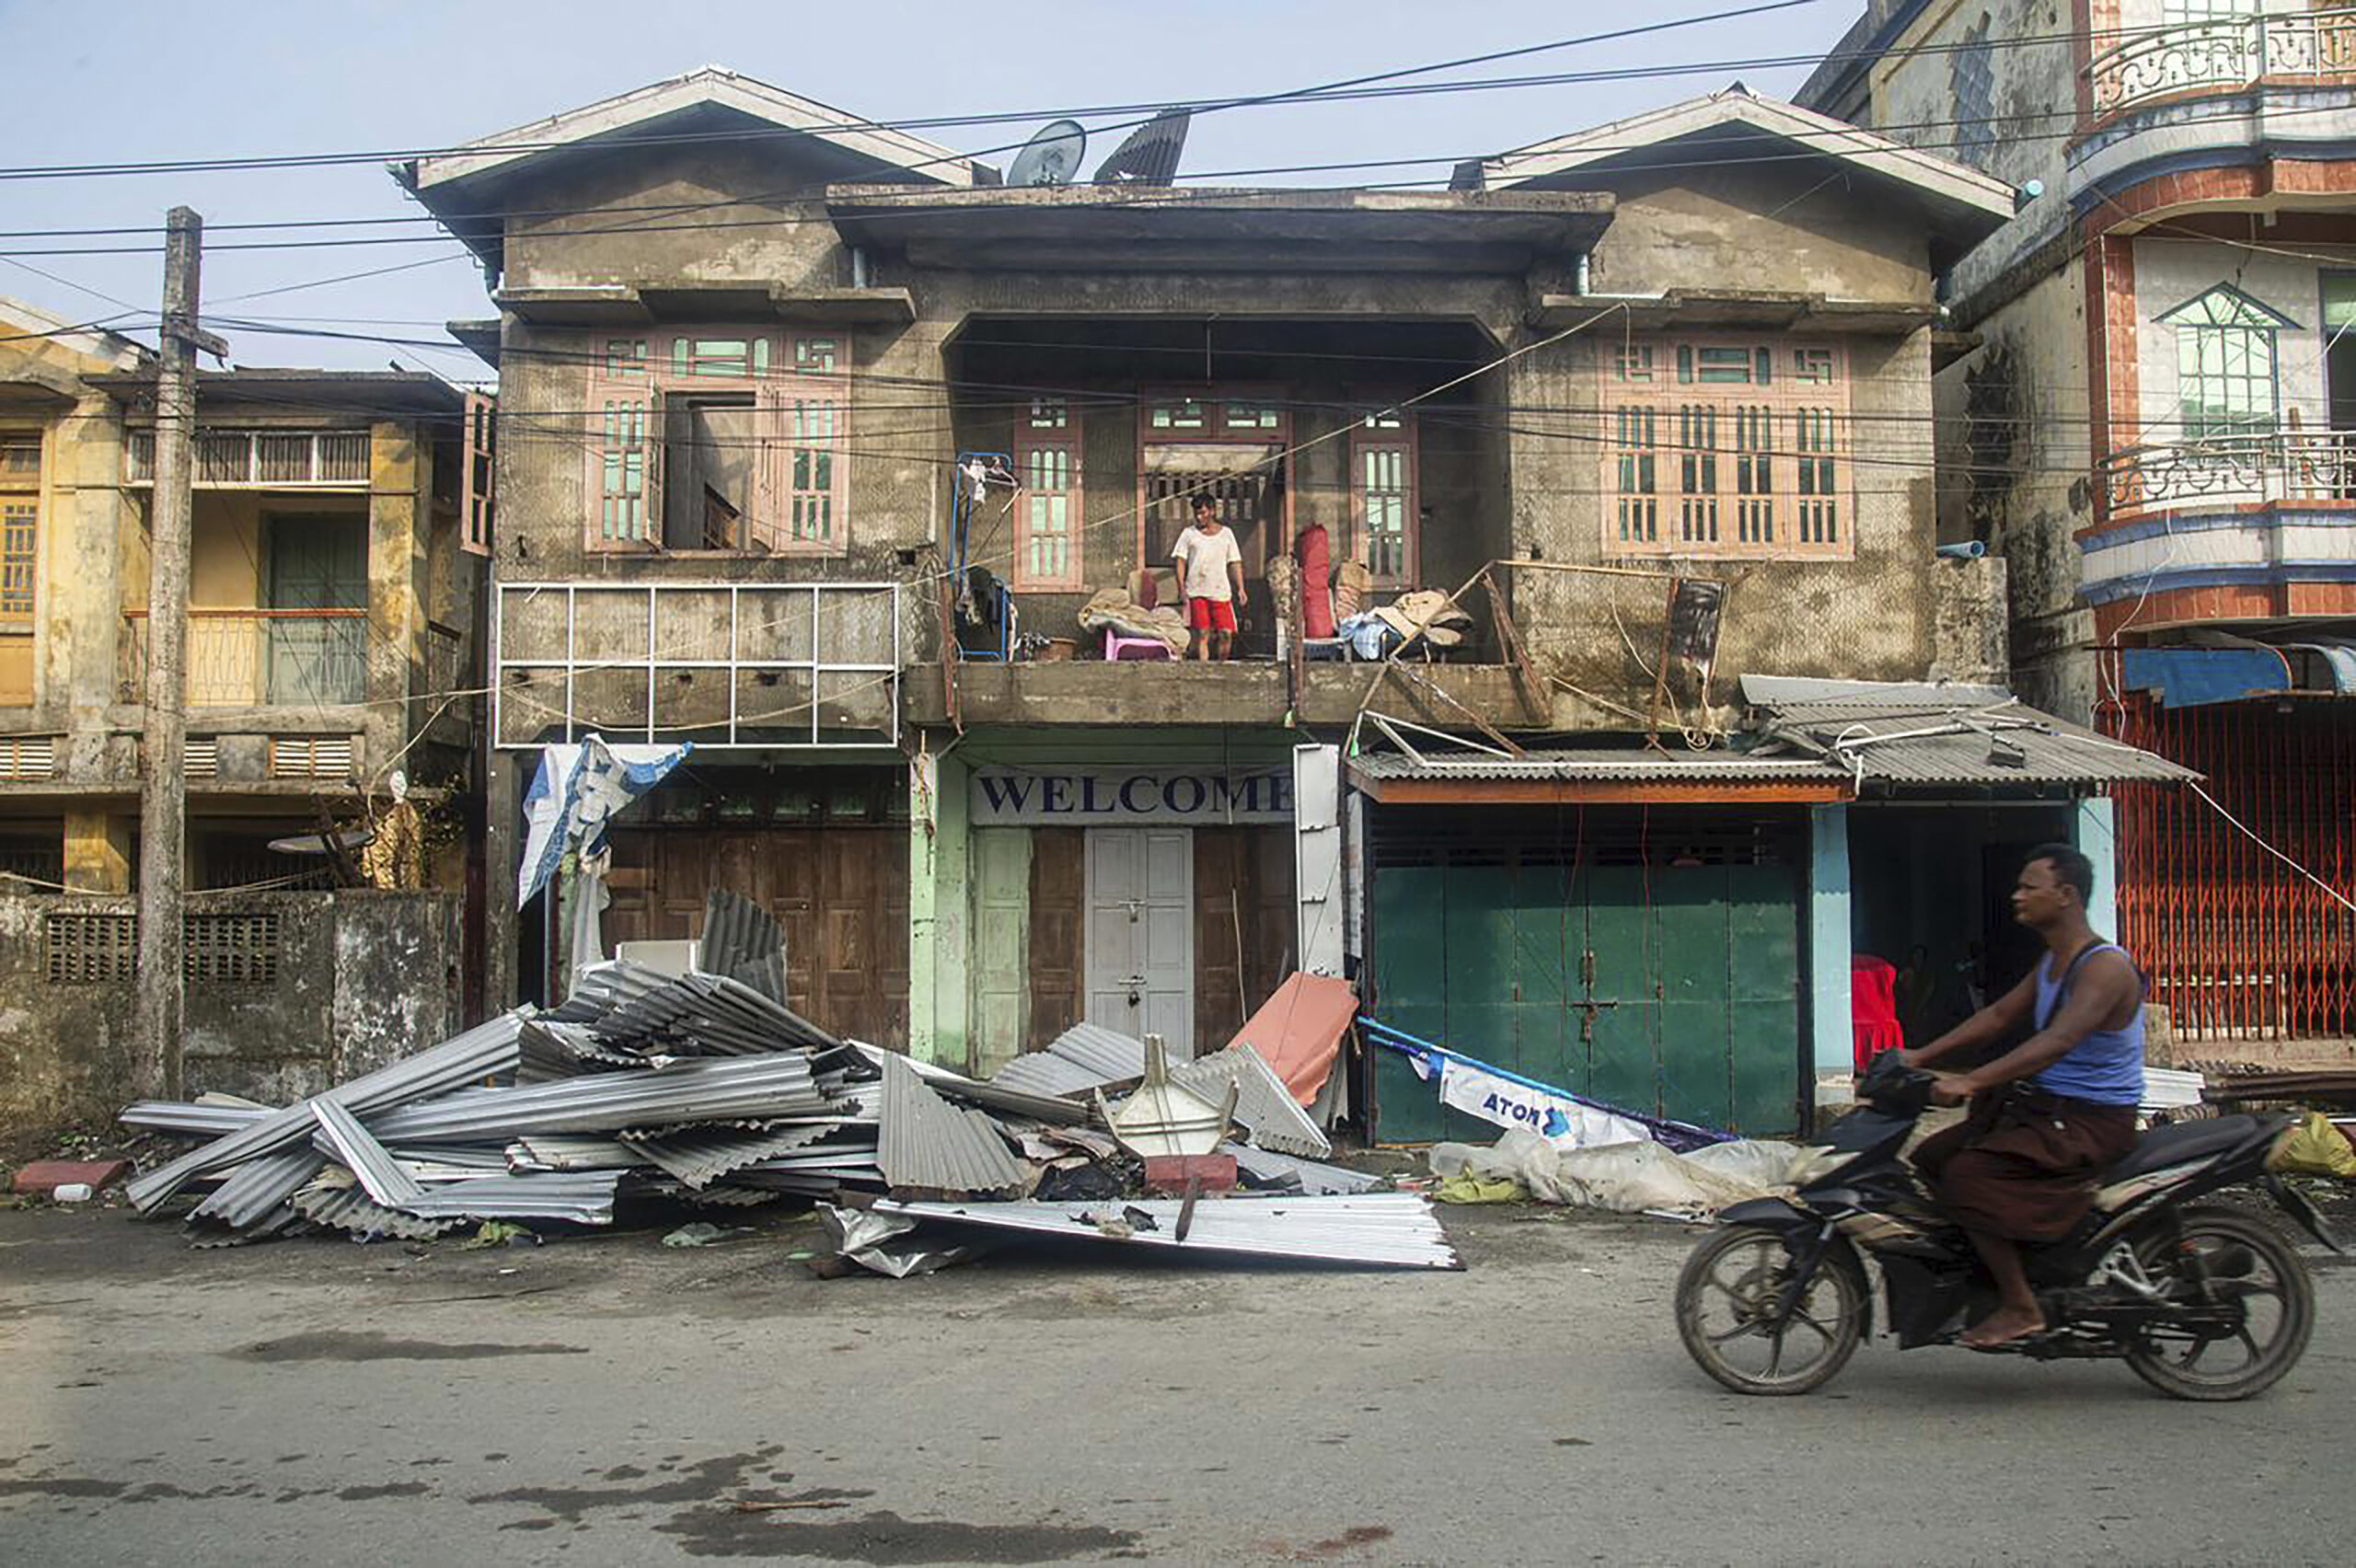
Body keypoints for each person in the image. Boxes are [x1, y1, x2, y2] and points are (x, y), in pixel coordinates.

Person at [1900, 845, 2145, 1350]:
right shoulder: (2055, 961)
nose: (2017, 896)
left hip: (2091, 1120)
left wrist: (1972, 1081)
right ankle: (2010, 1263)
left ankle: (2020, 1305)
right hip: (2049, 1110)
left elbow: (2057, 1041)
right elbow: (1997, 1018)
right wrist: (1919, 1055)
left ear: (2066, 894)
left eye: (2029, 887)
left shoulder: (2105, 967)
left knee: (1970, 1177)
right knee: (1932, 1156)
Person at [1171, 496, 1245, 662]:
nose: (1199, 517)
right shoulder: (1188, 534)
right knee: (1203, 632)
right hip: (1197, 591)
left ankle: (1221, 666)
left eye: (1203, 513)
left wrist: (1240, 587)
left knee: (1225, 633)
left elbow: (1234, 561)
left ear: (1212, 511)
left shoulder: (1226, 534)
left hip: (1220, 591)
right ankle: (1204, 668)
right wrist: (1181, 588)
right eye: (1196, 514)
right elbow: (1180, 561)